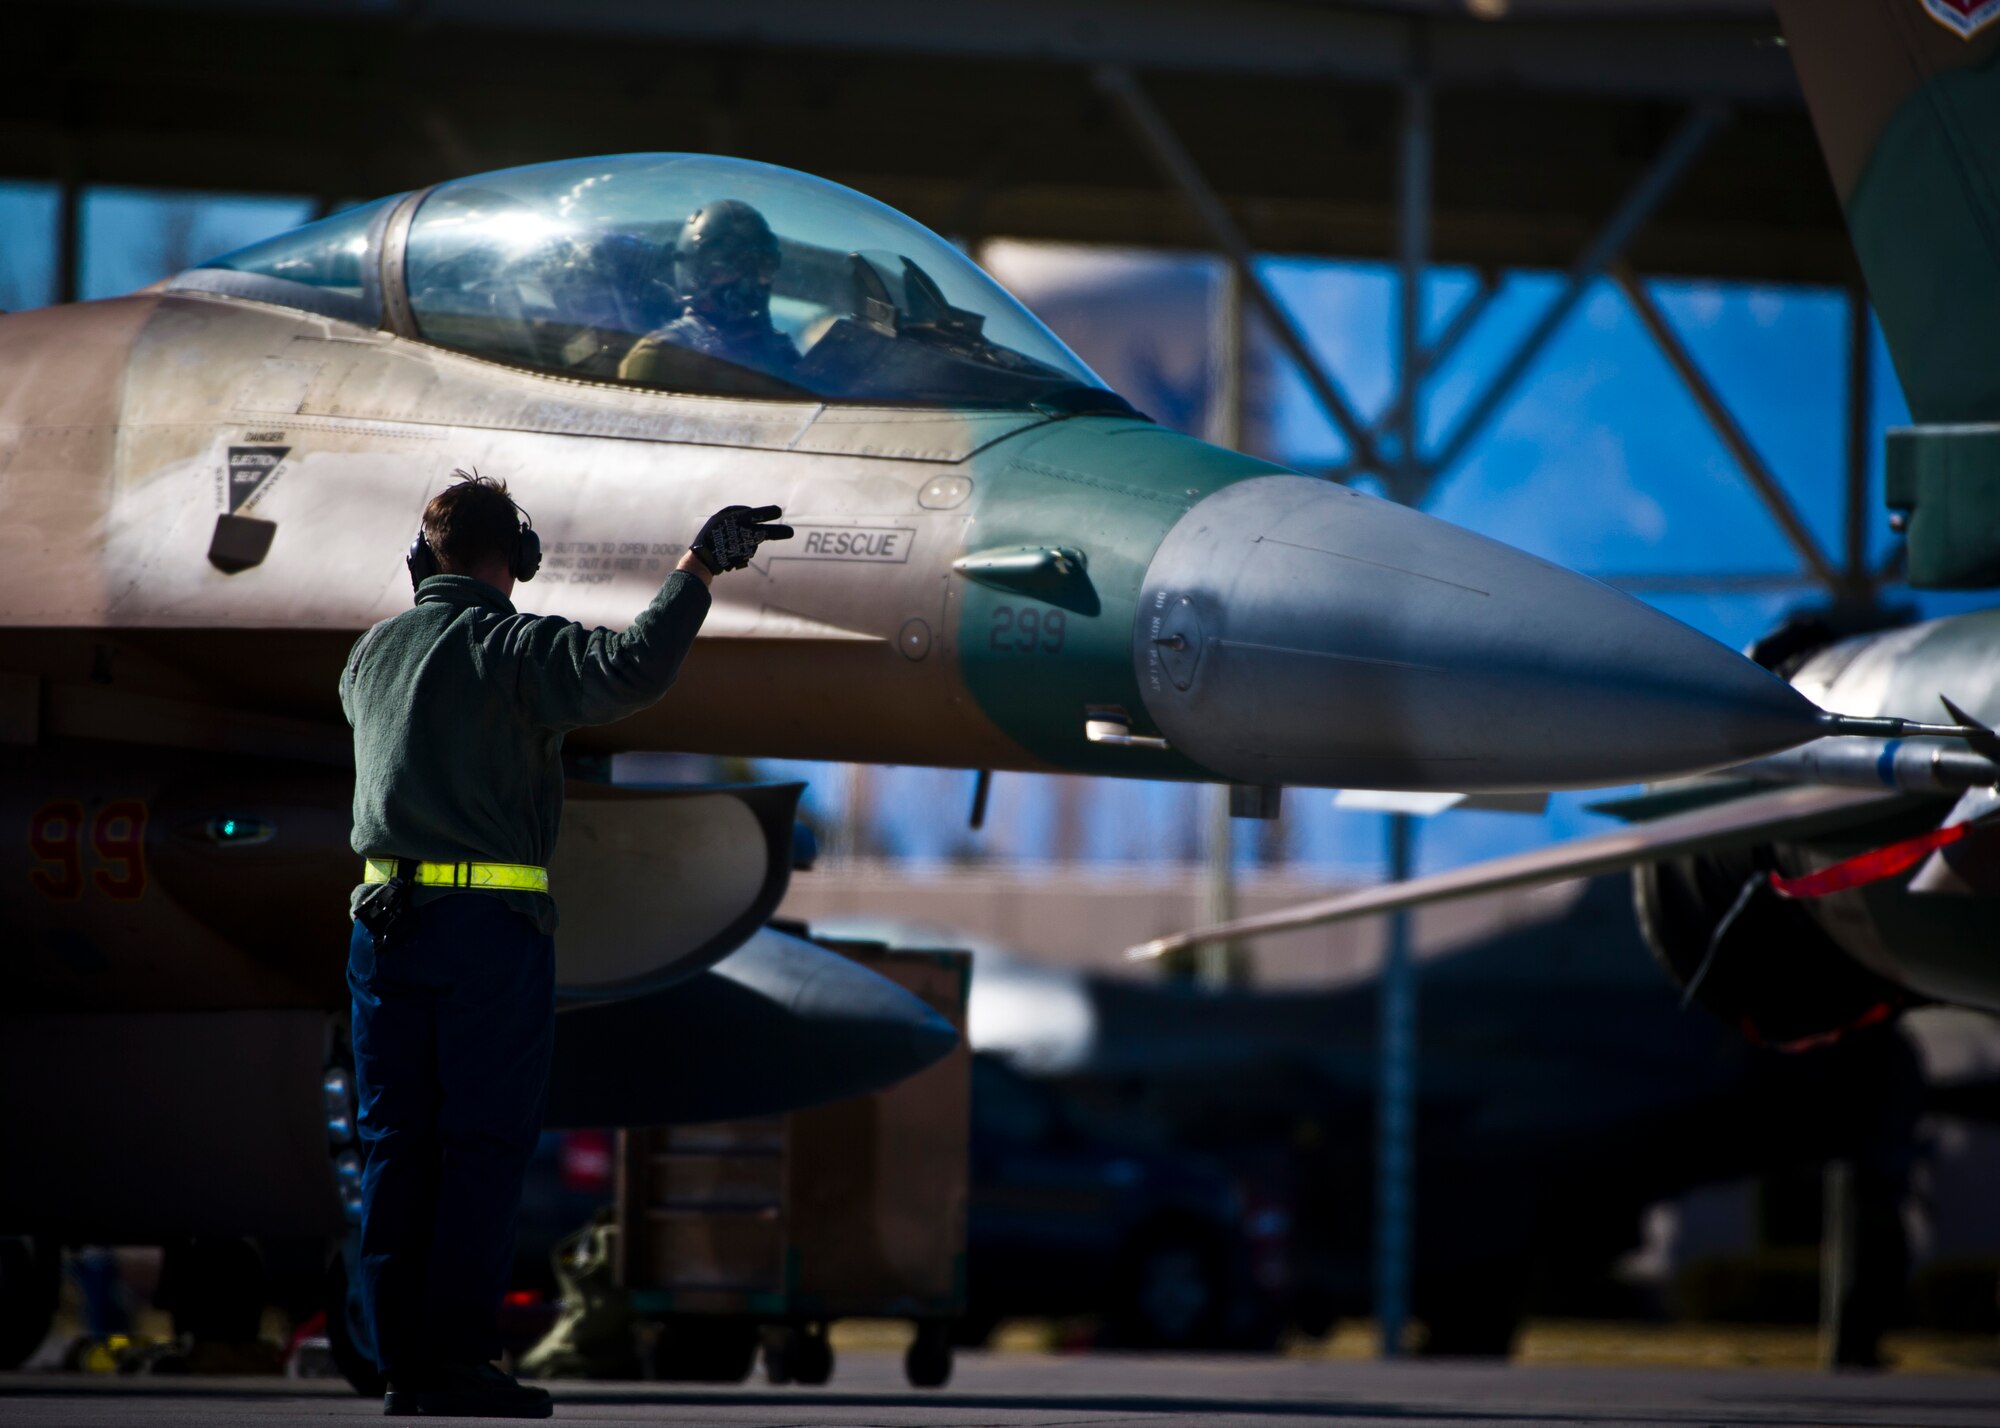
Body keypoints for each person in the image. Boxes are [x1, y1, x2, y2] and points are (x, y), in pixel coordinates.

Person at [339, 473, 790, 1418]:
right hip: (484, 942)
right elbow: (631, 667)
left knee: (393, 1145)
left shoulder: (369, 657)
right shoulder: (515, 648)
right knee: (482, 1147)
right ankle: (456, 1363)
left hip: (380, 934)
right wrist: (699, 567)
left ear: (422, 561)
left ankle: (393, 1358)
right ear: (520, 561)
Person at [618, 200, 799, 383]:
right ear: (694, 271)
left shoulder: (780, 350)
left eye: (760, 266)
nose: (747, 279)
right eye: (728, 265)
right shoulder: (664, 353)